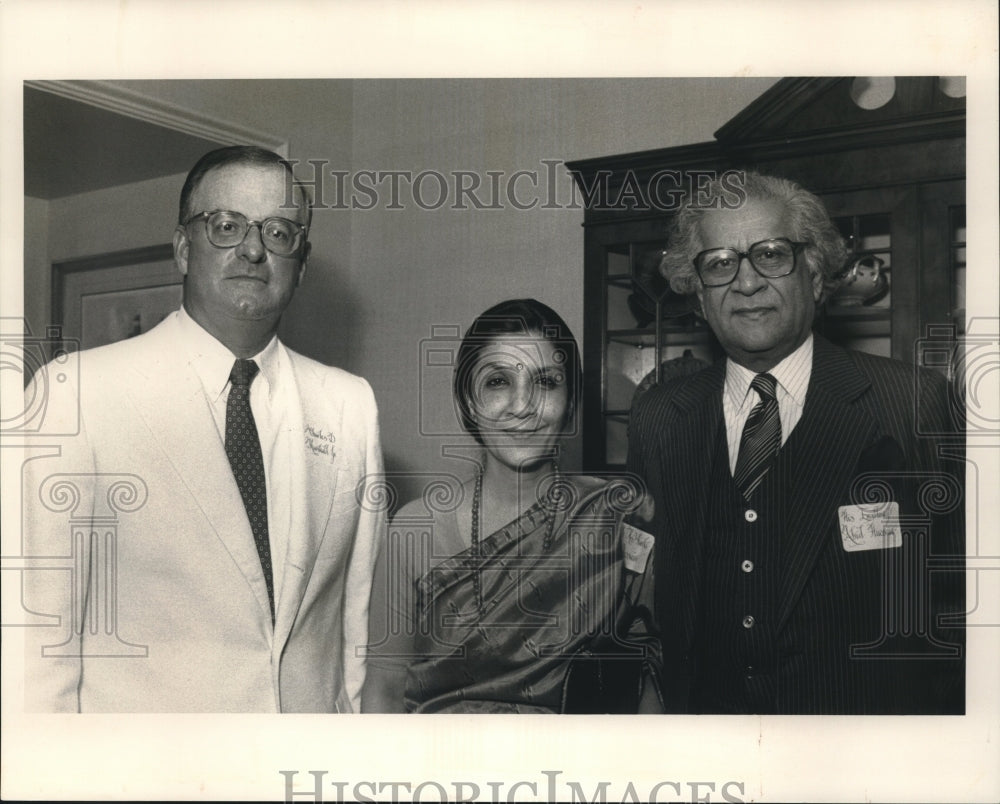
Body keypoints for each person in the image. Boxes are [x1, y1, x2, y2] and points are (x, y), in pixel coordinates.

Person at [22, 146, 384, 712]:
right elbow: (36, 644)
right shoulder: (76, 392)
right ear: (184, 248)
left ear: (302, 263)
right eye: (226, 225)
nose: (253, 248)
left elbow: (354, 631)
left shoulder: (348, 404)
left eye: (280, 232)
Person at [627, 171, 965, 714]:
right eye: (720, 263)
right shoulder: (660, 416)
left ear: (814, 272)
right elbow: (640, 597)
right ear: (697, 292)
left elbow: (965, 610)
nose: (746, 282)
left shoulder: (914, 403)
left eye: (771, 254)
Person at [363, 299, 661, 713]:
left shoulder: (617, 518)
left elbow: (647, 682)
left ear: (572, 401)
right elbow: (384, 690)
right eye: (498, 382)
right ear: (468, 401)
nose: (523, 406)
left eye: (546, 382)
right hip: (440, 769)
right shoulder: (415, 527)